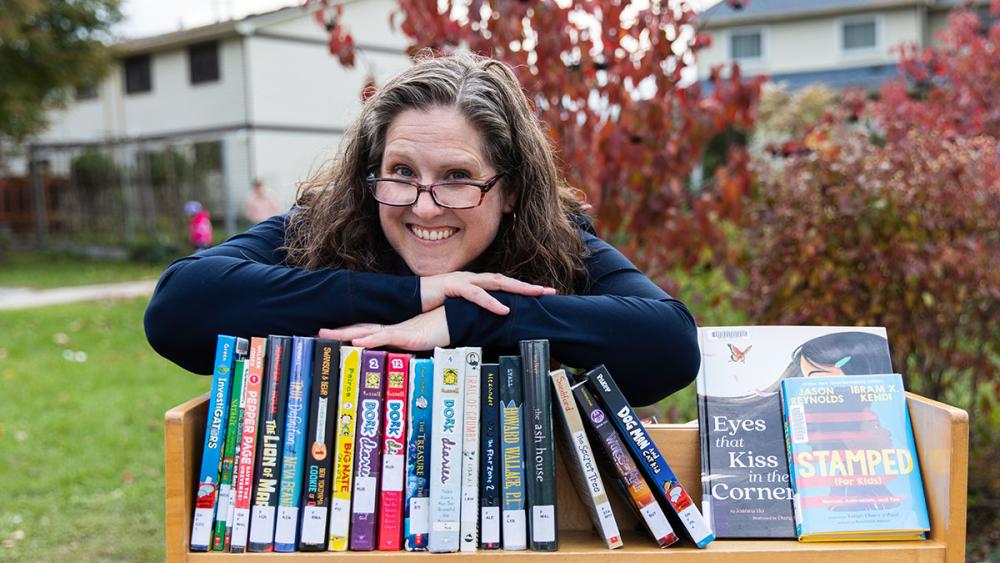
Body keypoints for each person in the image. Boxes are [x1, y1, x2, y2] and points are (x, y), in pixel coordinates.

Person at [144, 53, 700, 406]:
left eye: (458, 177)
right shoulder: (322, 225)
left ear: (508, 190)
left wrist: (466, 316)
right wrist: (410, 295)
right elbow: (179, 309)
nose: (424, 207)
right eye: (402, 173)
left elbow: (668, 346)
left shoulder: (555, 241)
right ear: (372, 172)